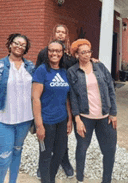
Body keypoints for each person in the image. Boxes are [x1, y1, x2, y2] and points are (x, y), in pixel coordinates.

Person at [0, 33, 35, 183]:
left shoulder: (31, 67)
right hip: (2, 120)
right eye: (16, 43)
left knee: (17, 153)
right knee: (3, 158)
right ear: (10, 44)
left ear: (26, 49)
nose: (19, 46)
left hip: (24, 120)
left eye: (23, 45)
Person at [67, 39, 117, 183]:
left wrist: (113, 113)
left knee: (109, 151)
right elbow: (73, 97)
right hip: (85, 117)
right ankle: (80, 179)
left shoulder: (100, 66)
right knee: (81, 149)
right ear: (76, 54)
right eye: (83, 52)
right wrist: (77, 119)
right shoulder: (72, 71)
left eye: (89, 51)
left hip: (105, 117)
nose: (87, 55)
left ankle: (106, 180)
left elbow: (110, 89)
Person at [35, 24, 76, 179]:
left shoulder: (69, 60)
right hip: (47, 111)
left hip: (62, 110)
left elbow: (79, 66)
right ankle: (43, 170)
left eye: (63, 32)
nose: (60, 34)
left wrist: (70, 118)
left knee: (60, 146)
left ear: (66, 35)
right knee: (45, 148)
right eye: (58, 31)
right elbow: (36, 92)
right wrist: (38, 123)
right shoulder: (43, 60)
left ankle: (61, 164)